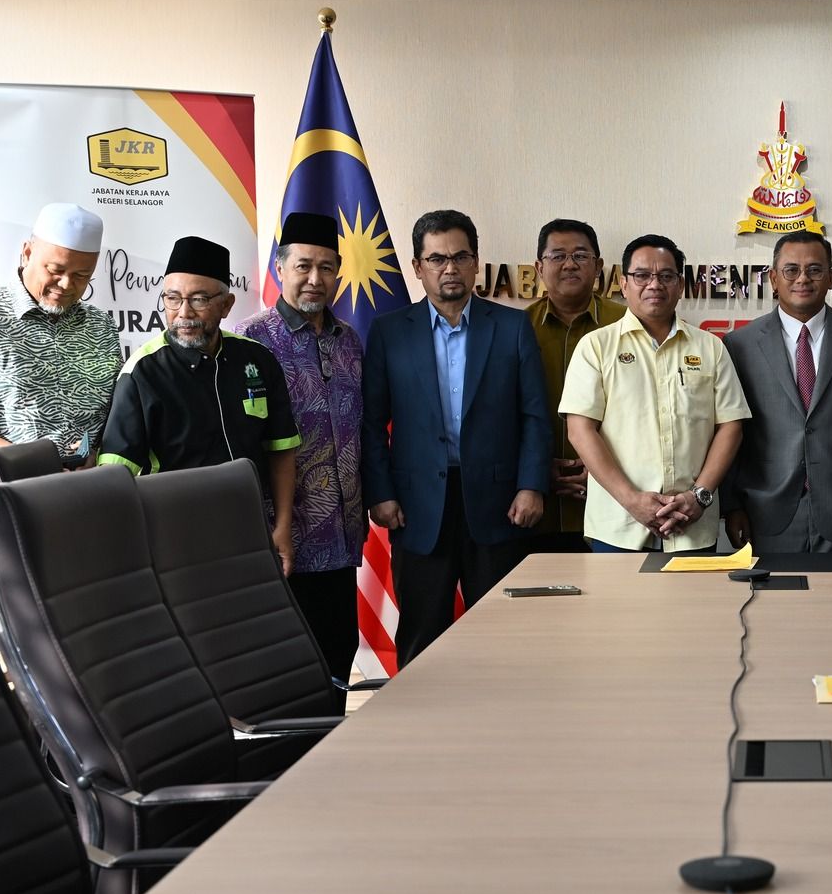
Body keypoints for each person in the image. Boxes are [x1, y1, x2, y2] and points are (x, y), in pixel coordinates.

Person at [360, 209, 550, 665]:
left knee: (502, 637)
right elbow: (371, 422)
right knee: (421, 636)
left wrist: (531, 486)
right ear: (417, 266)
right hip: (417, 507)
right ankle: (420, 713)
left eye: (460, 257)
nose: (450, 268)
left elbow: (535, 416)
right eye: (437, 259)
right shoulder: (389, 332)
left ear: (475, 263)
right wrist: (380, 492)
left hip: (499, 504)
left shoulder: (512, 327)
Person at [97, 235, 300, 572]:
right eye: (173, 299)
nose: (184, 313)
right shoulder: (142, 372)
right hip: (175, 541)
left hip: (251, 532)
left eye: (199, 299)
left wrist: (282, 526)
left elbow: (281, 450)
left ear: (227, 305)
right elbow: (115, 476)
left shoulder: (256, 359)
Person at [0, 202, 119, 514]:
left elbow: (111, 413)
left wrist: (96, 456)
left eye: (82, 276)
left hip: (84, 500)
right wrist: (24, 463)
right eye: (55, 270)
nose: (66, 284)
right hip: (4, 499)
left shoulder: (101, 327)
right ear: (27, 253)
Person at [237, 211, 366, 680]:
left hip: (342, 535)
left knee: (340, 652)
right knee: (288, 667)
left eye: (326, 267)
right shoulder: (250, 342)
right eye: (303, 266)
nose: (315, 279)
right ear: (280, 268)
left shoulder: (349, 341)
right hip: (282, 539)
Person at [561, 235, 750, 553]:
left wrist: (699, 496)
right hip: (618, 527)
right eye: (642, 275)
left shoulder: (711, 347)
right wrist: (632, 501)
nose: (654, 284)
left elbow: (731, 426)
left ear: (680, 285)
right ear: (624, 284)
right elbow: (580, 431)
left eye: (666, 276)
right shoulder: (596, 347)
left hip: (692, 524)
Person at [721, 232, 832, 554]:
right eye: (791, 270)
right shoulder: (740, 344)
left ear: (831, 278)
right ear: (773, 279)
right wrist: (731, 505)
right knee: (772, 588)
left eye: (814, 270)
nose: (802, 279)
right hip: (766, 509)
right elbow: (732, 430)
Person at [524, 218, 623, 552]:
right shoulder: (516, 328)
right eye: (558, 256)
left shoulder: (627, 325)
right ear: (539, 267)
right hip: (535, 506)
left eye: (581, 256)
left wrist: (600, 471)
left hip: (615, 506)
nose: (569, 264)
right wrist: (535, 469)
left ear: (598, 266)